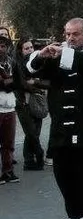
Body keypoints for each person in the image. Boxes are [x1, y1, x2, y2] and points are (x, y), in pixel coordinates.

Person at [26, 18, 83, 219]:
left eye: (76, 34)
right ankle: (74, 214)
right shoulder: (58, 56)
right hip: (62, 125)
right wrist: (40, 55)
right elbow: (32, 71)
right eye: (68, 34)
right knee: (62, 171)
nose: (70, 38)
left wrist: (64, 53)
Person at [14, 38, 48, 171]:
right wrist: (35, 85)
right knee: (31, 132)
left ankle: (29, 160)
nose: (29, 50)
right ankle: (36, 155)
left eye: (31, 48)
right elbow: (22, 84)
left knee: (36, 131)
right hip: (23, 102)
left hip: (37, 101)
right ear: (21, 50)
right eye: (26, 48)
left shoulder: (37, 63)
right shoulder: (17, 64)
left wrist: (36, 83)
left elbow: (46, 82)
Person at [0, 36, 20, 184]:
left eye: (3, 46)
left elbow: (17, 82)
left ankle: (7, 171)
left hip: (10, 107)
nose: (1, 49)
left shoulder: (12, 63)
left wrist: (9, 80)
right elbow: (5, 84)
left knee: (8, 143)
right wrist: (11, 81)